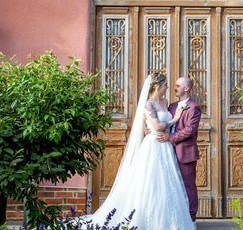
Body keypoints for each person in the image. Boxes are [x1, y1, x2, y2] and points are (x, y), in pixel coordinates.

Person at [84, 72, 194, 230]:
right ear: (157, 86)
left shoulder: (165, 101)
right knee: (150, 182)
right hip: (153, 146)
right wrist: (174, 119)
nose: (167, 87)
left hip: (166, 147)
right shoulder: (148, 104)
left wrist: (158, 128)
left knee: (167, 184)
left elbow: (157, 124)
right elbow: (156, 126)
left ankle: (169, 220)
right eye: (165, 85)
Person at [157, 76, 202, 221]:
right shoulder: (172, 106)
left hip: (185, 153)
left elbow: (190, 130)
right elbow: (166, 123)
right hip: (168, 153)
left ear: (186, 88)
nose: (174, 88)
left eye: (177, 86)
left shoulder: (194, 108)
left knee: (188, 186)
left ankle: (191, 217)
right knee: (172, 186)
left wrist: (170, 138)